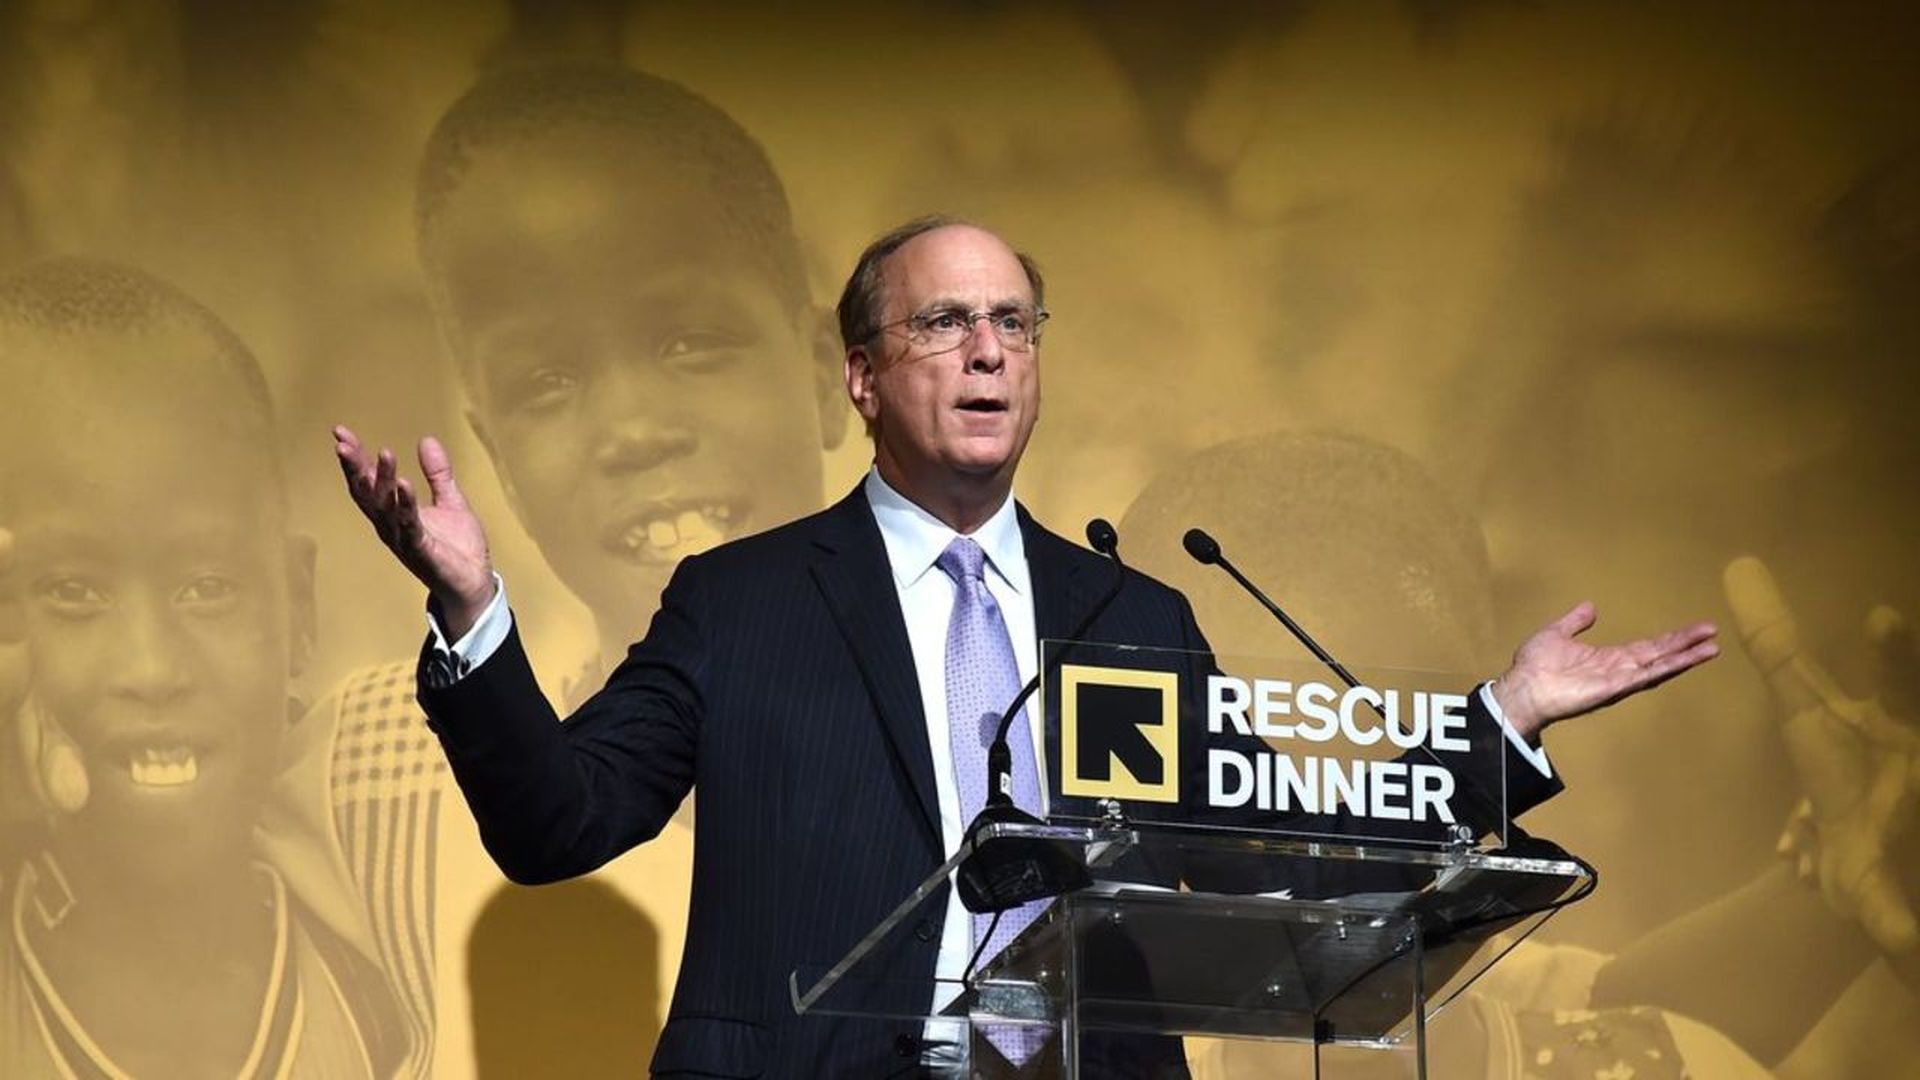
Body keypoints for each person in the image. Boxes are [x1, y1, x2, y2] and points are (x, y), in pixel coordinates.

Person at [335, 217, 1720, 1078]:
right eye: (945, 323)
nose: (988, 351)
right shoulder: (744, 602)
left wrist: (1501, 724)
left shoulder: (1131, 616)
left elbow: (1273, 860)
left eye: (1013, 323)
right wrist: (472, 610)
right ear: (861, 377)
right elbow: (561, 823)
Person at [0, 259, 431, 1078]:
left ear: (297, 608)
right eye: (72, 590)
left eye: (206, 587)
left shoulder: (398, 959)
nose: (151, 668)